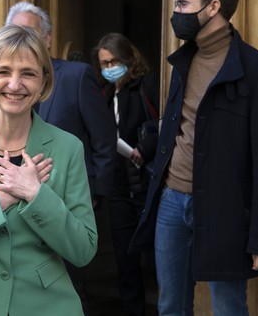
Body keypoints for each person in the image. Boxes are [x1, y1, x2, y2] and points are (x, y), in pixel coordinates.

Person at [0, 2, 116, 313]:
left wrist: (35, 195)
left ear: (44, 81)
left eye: (28, 73)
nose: (15, 84)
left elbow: (83, 250)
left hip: (44, 304)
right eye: (3, 71)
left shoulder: (68, 148)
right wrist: (1, 200)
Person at [130, 0, 258, 315]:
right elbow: (179, 127)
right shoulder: (183, 61)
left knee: (228, 308)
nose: (176, 13)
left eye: (184, 5)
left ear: (213, 7)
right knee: (170, 305)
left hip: (226, 210)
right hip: (171, 202)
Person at [93, 33, 159, 316]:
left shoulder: (146, 86)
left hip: (147, 184)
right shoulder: (105, 94)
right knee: (125, 261)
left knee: (157, 260)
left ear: (128, 59)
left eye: (114, 61)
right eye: (104, 64)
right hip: (120, 186)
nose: (109, 68)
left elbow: (165, 122)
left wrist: (144, 148)